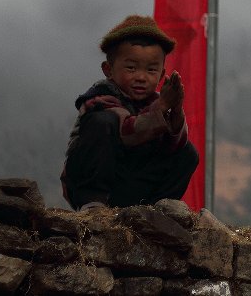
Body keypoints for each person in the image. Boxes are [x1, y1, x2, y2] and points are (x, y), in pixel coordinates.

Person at [61, 15, 199, 211]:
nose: (141, 77)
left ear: (161, 74)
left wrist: (175, 110)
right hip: (94, 182)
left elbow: (174, 144)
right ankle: (92, 204)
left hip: (130, 184)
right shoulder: (100, 98)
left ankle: (156, 210)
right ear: (108, 70)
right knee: (102, 122)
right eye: (131, 68)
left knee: (187, 153)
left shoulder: (155, 102)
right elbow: (126, 132)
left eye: (151, 70)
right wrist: (161, 107)